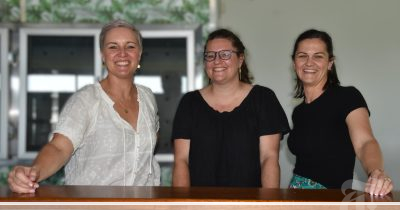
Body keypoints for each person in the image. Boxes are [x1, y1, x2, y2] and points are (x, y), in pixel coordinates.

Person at [8, 19, 160, 193]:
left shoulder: (147, 97)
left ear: (139, 54)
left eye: (130, 46)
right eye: (113, 47)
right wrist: (33, 172)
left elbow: (149, 140)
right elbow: (59, 147)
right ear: (103, 55)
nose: (122, 53)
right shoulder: (86, 100)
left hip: (143, 209)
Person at [172, 28, 290, 187]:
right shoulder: (189, 103)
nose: (217, 61)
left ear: (240, 59)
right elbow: (181, 161)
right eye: (210, 55)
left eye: (225, 54)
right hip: (199, 206)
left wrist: (268, 206)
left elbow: (269, 158)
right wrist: (183, 206)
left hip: (250, 206)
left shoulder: (263, 99)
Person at [287, 29, 393, 196]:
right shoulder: (299, 111)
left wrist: (376, 172)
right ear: (294, 63)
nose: (309, 62)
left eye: (318, 56)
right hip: (296, 196)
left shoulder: (347, 97)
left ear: (330, 63)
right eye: (302, 56)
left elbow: (365, 142)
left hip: (332, 200)